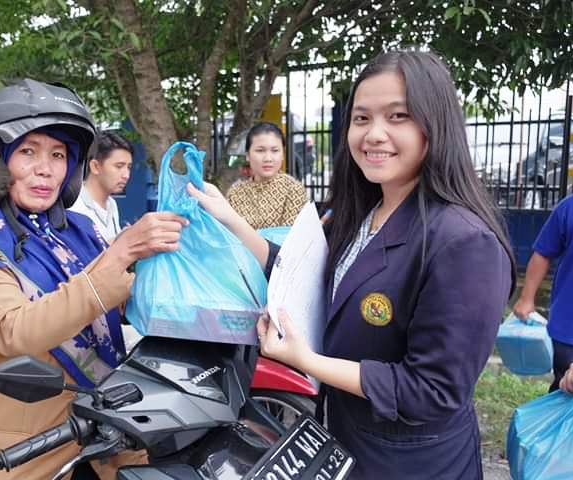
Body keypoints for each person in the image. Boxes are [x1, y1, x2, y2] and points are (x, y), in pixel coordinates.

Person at [188, 49, 516, 479]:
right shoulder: (363, 213)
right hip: (347, 441)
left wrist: (306, 360)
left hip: (409, 464)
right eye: (362, 118)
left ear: (435, 124)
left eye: (398, 116)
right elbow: (301, 276)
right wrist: (229, 217)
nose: (374, 134)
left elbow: (432, 391)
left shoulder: (465, 242)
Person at [0, 79, 187, 480]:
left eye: (58, 154)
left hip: (99, 434)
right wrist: (120, 253)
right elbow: (17, 331)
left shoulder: (77, 229)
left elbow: (119, 301)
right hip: (14, 451)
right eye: (27, 151)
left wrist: (175, 274)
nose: (45, 169)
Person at [512, 194, 573, 392]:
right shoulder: (569, 207)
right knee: (565, 393)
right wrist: (526, 298)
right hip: (568, 328)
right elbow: (543, 253)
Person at [226, 122, 308, 229]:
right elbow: (228, 232)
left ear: (282, 155)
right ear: (247, 156)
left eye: (275, 151)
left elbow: (289, 236)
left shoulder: (294, 190)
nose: (268, 158)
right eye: (260, 150)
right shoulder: (235, 193)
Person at [69, 130, 133, 242]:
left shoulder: (111, 204)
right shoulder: (73, 205)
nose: (126, 175)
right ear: (95, 166)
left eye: (129, 167)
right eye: (119, 166)